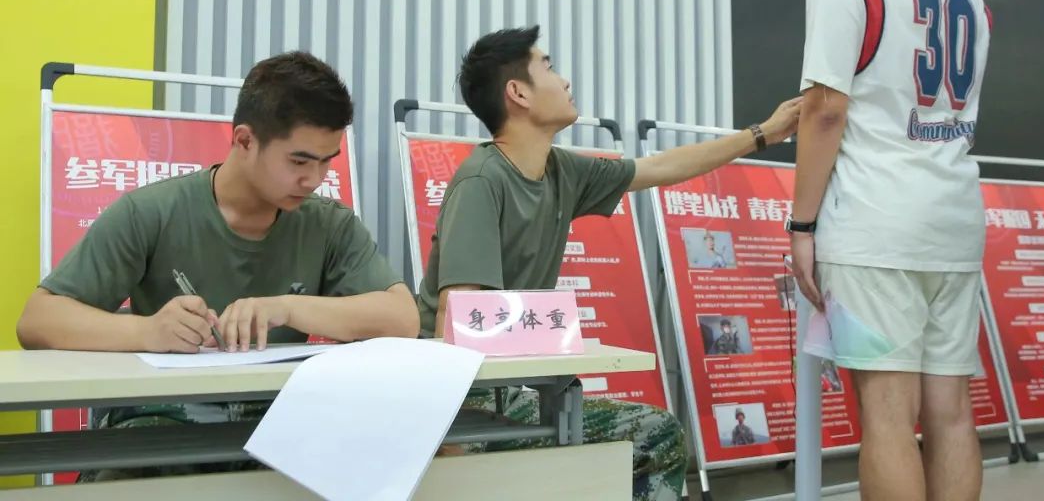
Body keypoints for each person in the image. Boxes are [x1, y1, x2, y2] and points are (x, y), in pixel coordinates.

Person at [417, 25, 801, 500]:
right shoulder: (481, 181)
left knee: (655, 432)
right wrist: (447, 436)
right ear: (518, 93)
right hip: (465, 399)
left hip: (516, 389)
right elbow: (454, 319)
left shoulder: (561, 170)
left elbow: (660, 168)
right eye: (548, 67)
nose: (564, 80)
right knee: (646, 436)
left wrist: (762, 134)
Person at [18, 51, 419, 480]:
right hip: (164, 423)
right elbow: (39, 320)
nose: (315, 179)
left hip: (277, 424)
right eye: (299, 161)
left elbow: (402, 318)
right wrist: (148, 332)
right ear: (244, 141)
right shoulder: (152, 213)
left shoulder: (328, 225)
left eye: (327, 161)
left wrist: (285, 308)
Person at [789, 0, 991, 501]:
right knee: (951, 412)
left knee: (886, 417)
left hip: (876, 226)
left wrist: (802, 225)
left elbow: (825, 109)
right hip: (954, 222)